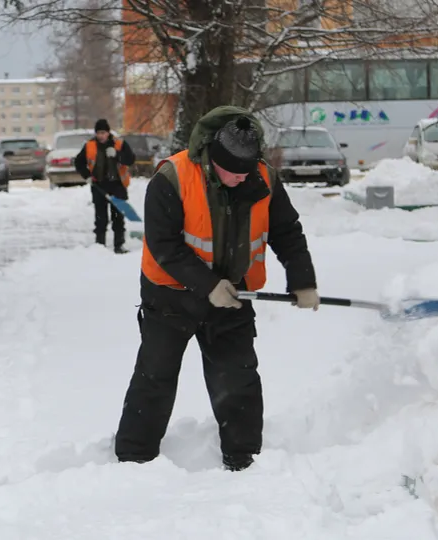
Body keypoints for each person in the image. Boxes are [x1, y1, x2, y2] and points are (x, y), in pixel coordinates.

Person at [113, 106, 320, 472]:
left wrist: (302, 280)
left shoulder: (263, 178)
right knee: (155, 376)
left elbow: (287, 231)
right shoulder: (173, 177)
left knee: (238, 378)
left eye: (247, 170)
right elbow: (164, 245)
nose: (242, 177)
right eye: (234, 171)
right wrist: (208, 284)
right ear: (213, 159)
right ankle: (133, 460)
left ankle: (245, 460)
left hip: (233, 297)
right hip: (170, 296)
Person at [73, 119, 136, 254]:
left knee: (118, 217)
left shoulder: (119, 144)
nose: (101, 136)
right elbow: (78, 162)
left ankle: (119, 245)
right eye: (98, 133)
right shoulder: (89, 146)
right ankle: (100, 245)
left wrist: (117, 155)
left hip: (117, 185)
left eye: (103, 133)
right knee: (100, 218)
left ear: (108, 132)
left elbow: (130, 159)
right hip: (99, 186)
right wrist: (87, 176)